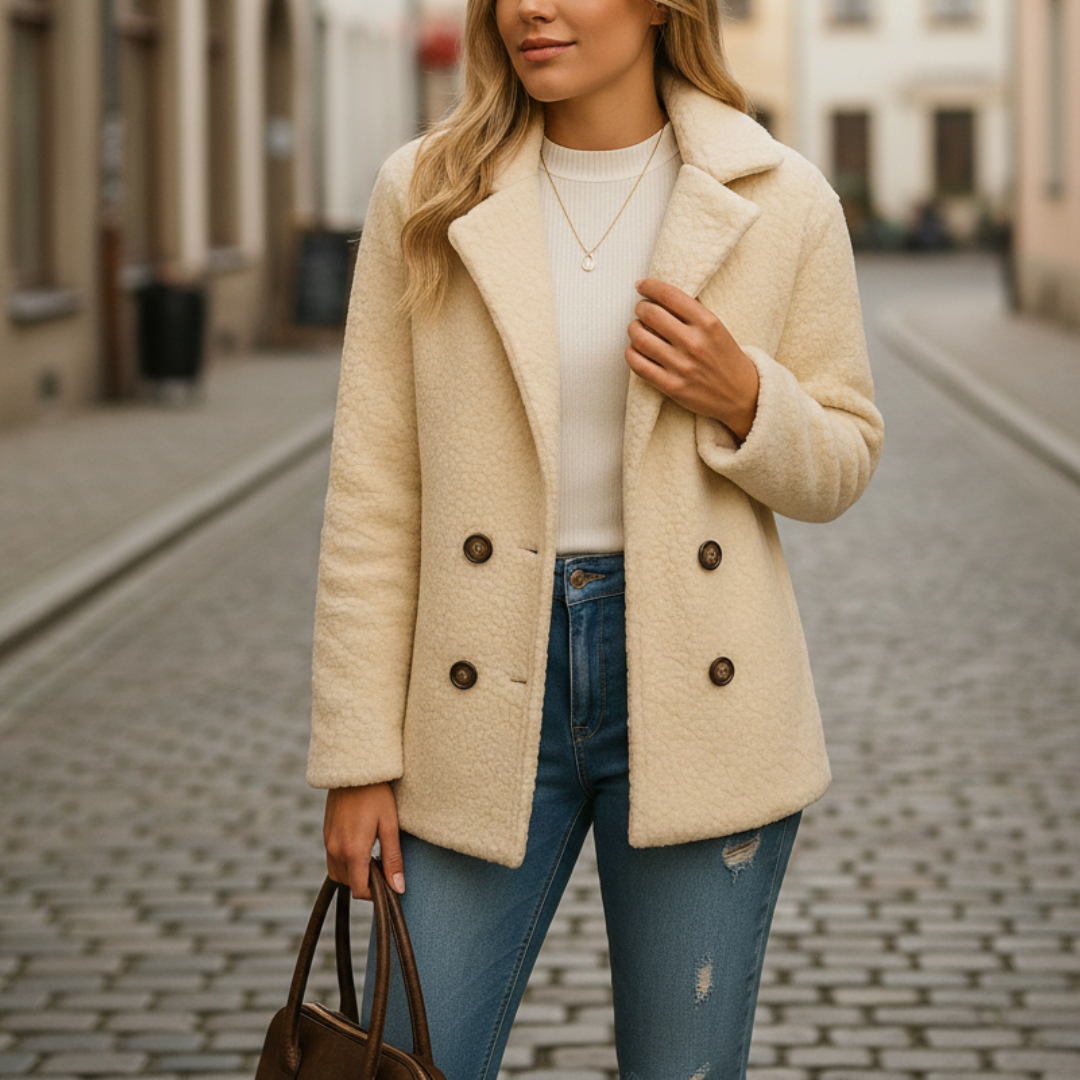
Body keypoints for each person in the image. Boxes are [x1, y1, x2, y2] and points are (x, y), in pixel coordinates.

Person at [308, 0, 884, 1077]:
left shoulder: (778, 198)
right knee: (403, 1058)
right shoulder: (428, 191)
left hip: (701, 688)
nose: (531, 7)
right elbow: (374, 492)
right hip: (474, 689)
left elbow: (844, 458)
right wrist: (355, 759)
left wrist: (746, 395)